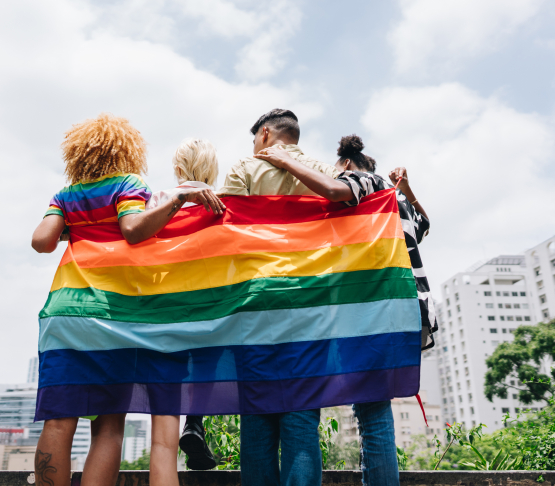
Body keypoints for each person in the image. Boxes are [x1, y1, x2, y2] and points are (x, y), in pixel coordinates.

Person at [31, 114, 225, 486]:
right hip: (111, 315)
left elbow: (41, 241)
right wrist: (180, 197)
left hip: (63, 314)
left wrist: (75, 222)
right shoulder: (128, 184)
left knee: (59, 418)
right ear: (128, 151)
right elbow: (134, 230)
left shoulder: (65, 195)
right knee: (109, 424)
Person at [254, 134, 438, 486]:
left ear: (348, 165)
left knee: (348, 407)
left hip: (378, 310)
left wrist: (286, 161)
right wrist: (409, 189)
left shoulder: (369, 182)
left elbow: (335, 192)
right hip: (411, 312)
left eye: (338, 170)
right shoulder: (397, 199)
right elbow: (426, 223)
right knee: (375, 409)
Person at [219, 109, 338, 486]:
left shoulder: (244, 169)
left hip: (255, 304)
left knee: (256, 417)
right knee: (301, 417)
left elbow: (224, 232)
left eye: (255, 138)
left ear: (266, 134)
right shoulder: (326, 173)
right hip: (311, 304)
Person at [146, 138, 220, 471]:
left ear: (177, 169)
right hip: (209, 300)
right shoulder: (223, 204)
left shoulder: (160, 199)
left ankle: (171, 437)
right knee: (207, 363)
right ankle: (195, 422)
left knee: (172, 371)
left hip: (167, 300)